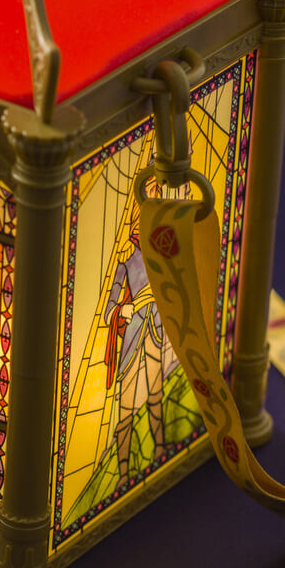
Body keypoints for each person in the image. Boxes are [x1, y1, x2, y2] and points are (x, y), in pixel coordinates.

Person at [103, 187, 175, 489]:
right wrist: (121, 309)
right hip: (133, 336)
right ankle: (123, 475)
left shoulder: (163, 249)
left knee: (156, 395)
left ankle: (161, 450)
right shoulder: (126, 259)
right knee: (126, 410)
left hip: (157, 331)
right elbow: (108, 309)